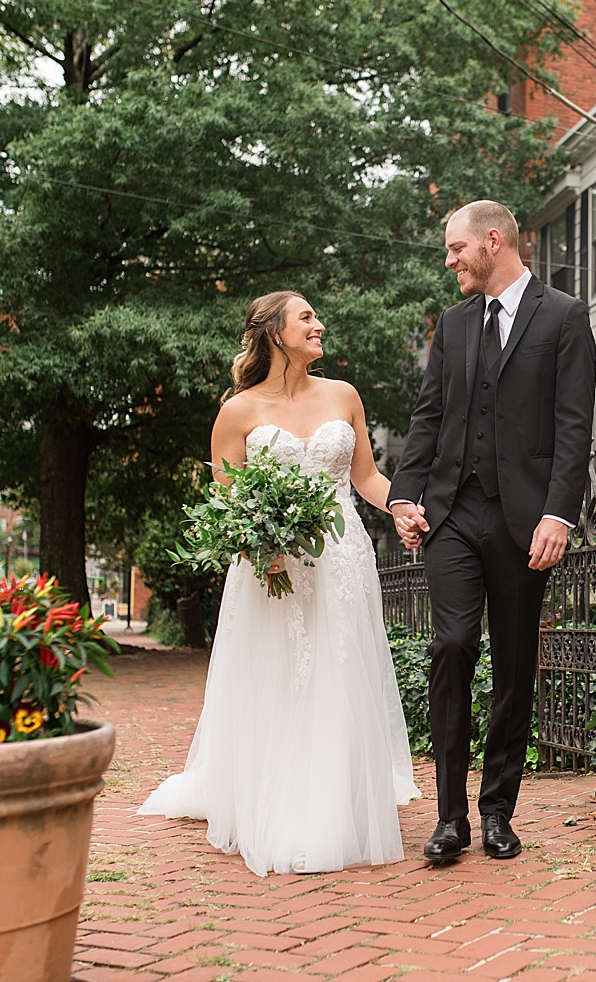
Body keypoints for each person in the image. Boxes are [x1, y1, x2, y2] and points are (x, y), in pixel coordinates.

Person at [139, 291, 420, 876]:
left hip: (341, 559)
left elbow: (365, 475)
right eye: (307, 318)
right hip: (272, 566)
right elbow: (227, 502)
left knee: (336, 672)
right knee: (280, 672)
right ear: (273, 332)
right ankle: (275, 795)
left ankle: (333, 798)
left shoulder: (344, 396)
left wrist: (400, 506)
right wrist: (260, 548)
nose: (320, 325)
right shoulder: (237, 411)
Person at [389, 200, 596, 862]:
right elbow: (427, 418)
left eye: (456, 248)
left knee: (512, 665)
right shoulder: (451, 325)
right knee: (451, 646)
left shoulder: (563, 316)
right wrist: (404, 497)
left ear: (493, 241)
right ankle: (450, 818)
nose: (449, 260)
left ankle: (498, 809)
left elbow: (573, 427)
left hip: (523, 521)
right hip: (451, 513)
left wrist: (559, 514)